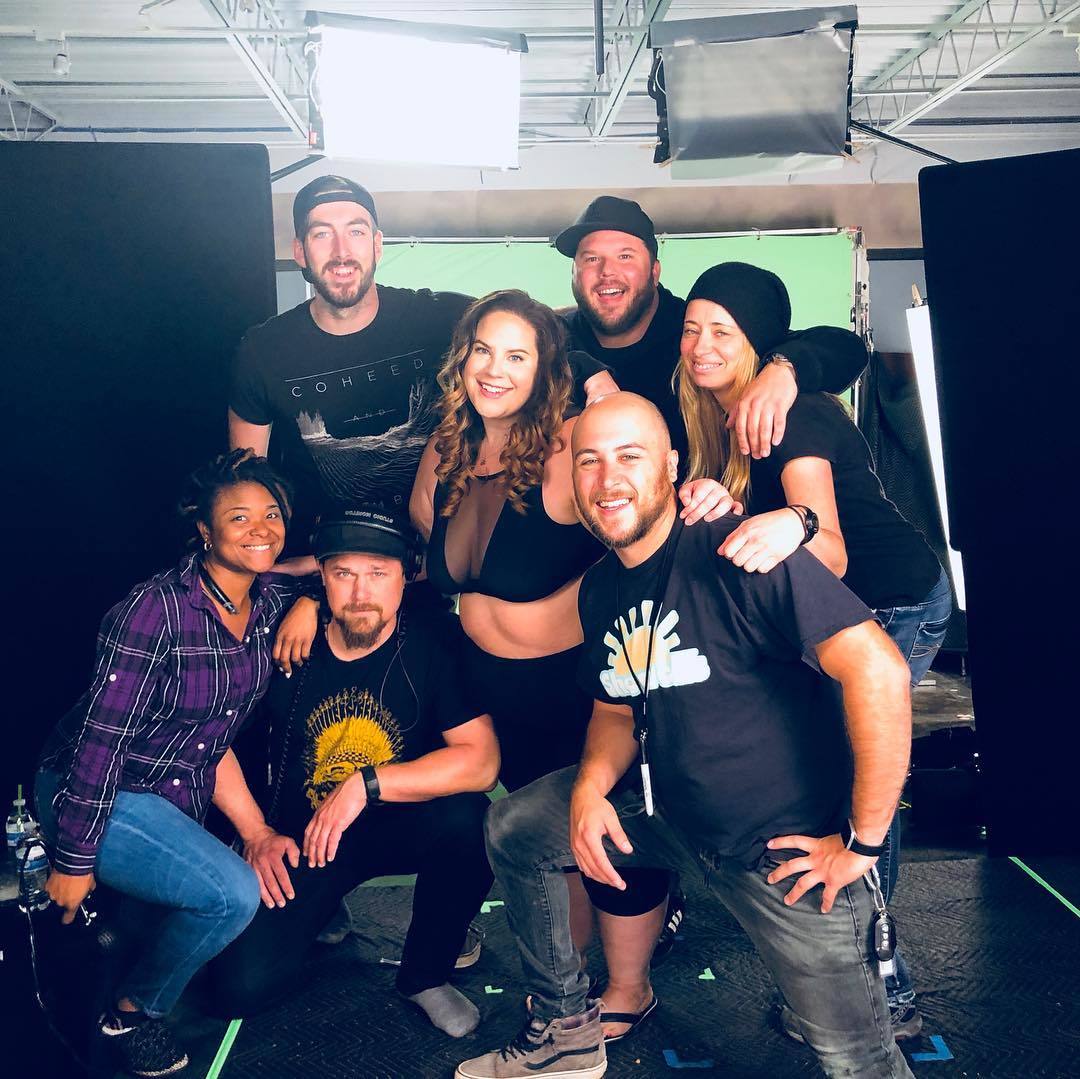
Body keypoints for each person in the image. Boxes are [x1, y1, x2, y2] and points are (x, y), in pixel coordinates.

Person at [456, 392, 917, 1079]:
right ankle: (566, 1031)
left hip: (778, 855)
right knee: (516, 825)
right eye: (589, 461)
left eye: (629, 456)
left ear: (671, 466)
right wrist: (589, 788)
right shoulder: (601, 587)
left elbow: (880, 671)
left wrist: (863, 843)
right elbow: (616, 708)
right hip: (667, 814)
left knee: (861, 1064)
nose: (607, 478)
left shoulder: (739, 550)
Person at [411, 291, 729, 1037]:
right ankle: (576, 974)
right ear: (461, 359)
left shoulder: (569, 445)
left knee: (609, 837)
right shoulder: (446, 450)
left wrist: (710, 497)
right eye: (483, 350)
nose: (495, 369)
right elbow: (426, 557)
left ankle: (629, 987)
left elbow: (646, 513)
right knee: (549, 842)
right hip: (495, 689)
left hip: (579, 686)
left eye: (517, 355)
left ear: (545, 367)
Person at [678, 261, 952, 1038]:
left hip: (893, 600)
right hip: (832, 610)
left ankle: (884, 991)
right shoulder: (713, 416)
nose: (701, 345)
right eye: (692, 327)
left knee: (858, 779)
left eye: (722, 331)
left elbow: (827, 549)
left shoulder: (791, 415)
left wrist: (788, 522)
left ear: (759, 345)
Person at [34, 450, 319, 1078]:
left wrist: (312, 603)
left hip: (173, 790)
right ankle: (133, 1013)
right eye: (239, 517)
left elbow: (209, 739)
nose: (261, 529)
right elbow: (100, 743)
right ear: (204, 531)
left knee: (218, 915)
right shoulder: (155, 610)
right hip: (94, 789)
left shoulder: (268, 601)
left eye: (272, 515)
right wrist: (73, 860)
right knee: (232, 895)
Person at [209, 505, 499, 1038]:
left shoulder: (433, 644)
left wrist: (366, 784)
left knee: (473, 820)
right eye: (344, 573)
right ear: (322, 577)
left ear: (405, 577)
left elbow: (481, 761)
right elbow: (211, 738)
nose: (361, 593)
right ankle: (325, 907)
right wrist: (254, 834)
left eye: (378, 573)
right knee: (237, 988)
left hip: (397, 823)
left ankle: (425, 976)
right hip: (306, 838)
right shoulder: (280, 641)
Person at [228, 176, 612, 567]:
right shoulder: (263, 350)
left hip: (431, 560)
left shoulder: (438, 316)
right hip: (324, 565)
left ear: (377, 245)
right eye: (322, 234)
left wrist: (590, 372)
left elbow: (535, 330)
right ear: (299, 250)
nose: (342, 252)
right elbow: (244, 481)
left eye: (356, 232)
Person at [555, 194, 869, 466]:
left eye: (625, 257)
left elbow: (844, 349)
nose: (607, 272)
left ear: (654, 271)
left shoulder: (695, 332)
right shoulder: (555, 338)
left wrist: (784, 370)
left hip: (708, 508)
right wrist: (586, 369)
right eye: (591, 259)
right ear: (573, 273)